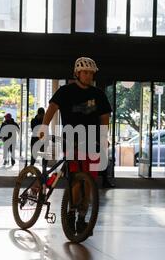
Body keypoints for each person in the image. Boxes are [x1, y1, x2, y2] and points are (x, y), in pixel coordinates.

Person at [40, 57, 112, 233]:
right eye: (85, 72)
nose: (88, 76)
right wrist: (43, 126)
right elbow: (52, 108)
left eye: (91, 73)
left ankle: (82, 218)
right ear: (77, 73)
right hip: (72, 140)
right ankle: (71, 212)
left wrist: (104, 137)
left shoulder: (98, 95)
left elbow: (104, 118)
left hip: (92, 142)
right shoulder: (66, 91)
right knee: (76, 180)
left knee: (89, 182)